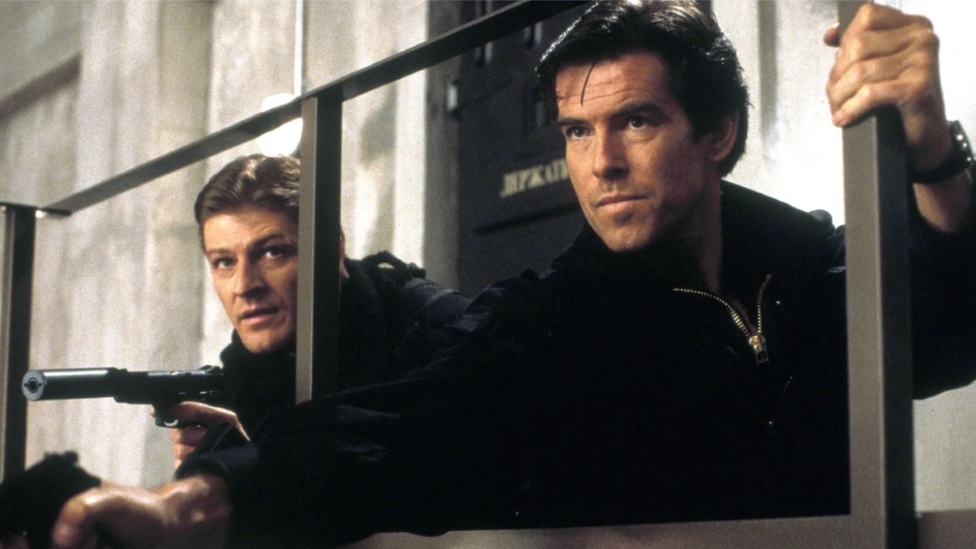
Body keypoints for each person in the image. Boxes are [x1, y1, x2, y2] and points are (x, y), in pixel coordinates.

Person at [30, 2, 976, 548]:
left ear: (717, 132)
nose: (600, 163)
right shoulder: (551, 323)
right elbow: (403, 428)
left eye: (635, 121)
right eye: (576, 130)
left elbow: (941, 330)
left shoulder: (804, 261)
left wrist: (933, 152)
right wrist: (193, 502)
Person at [157, 153, 470, 467]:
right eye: (224, 262)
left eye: (272, 252)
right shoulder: (244, 375)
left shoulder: (438, 332)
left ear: (333, 251)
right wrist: (214, 463)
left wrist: (249, 468)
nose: (244, 285)